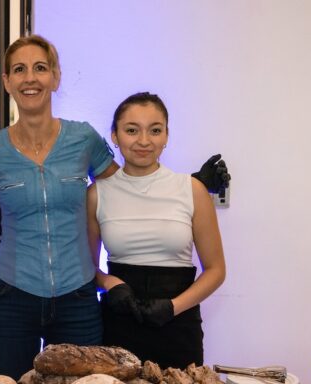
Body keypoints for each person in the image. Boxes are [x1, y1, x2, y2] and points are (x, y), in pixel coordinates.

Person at [0, 35, 229, 379]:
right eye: (19, 69)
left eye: (41, 68)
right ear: (6, 81)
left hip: (77, 298)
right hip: (11, 294)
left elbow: (130, 183)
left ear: (56, 77)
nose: (30, 78)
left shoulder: (83, 139)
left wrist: (189, 186)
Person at [86, 92, 226, 369]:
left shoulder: (192, 190)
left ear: (166, 136)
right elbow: (87, 268)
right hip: (119, 324)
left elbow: (216, 270)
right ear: (114, 136)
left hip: (178, 324)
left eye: (155, 130)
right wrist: (109, 283)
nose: (143, 141)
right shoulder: (96, 194)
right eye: (131, 130)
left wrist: (173, 307)